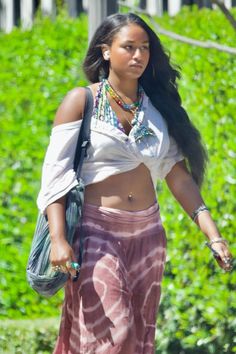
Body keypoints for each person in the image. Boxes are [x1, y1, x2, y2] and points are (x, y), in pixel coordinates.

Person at [37, 12, 233, 354]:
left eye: (144, 48)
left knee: (139, 340)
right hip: (97, 232)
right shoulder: (81, 101)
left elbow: (177, 175)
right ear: (107, 51)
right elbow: (57, 176)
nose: (139, 55)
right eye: (129, 47)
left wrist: (213, 235)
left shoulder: (156, 110)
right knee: (115, 336)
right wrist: (58, 238)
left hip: (148, 236)